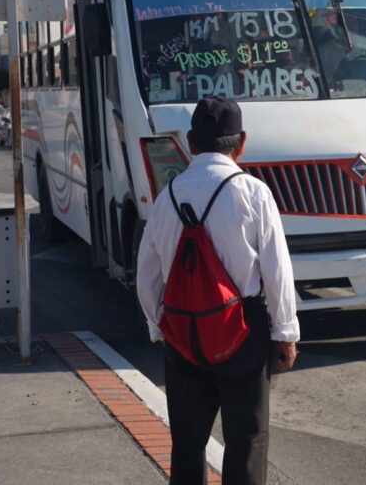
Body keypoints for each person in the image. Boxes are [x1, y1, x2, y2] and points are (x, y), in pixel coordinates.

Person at [136, 96, 300, 485]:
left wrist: (161, 327)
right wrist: (285, 333)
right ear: (241, 142)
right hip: (242, 330)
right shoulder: (254, 193)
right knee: (247, 439)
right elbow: (277, 269)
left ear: (191, 142)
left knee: (188, 442)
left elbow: (147, 274)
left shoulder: (168, 196)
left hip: (183, 332)